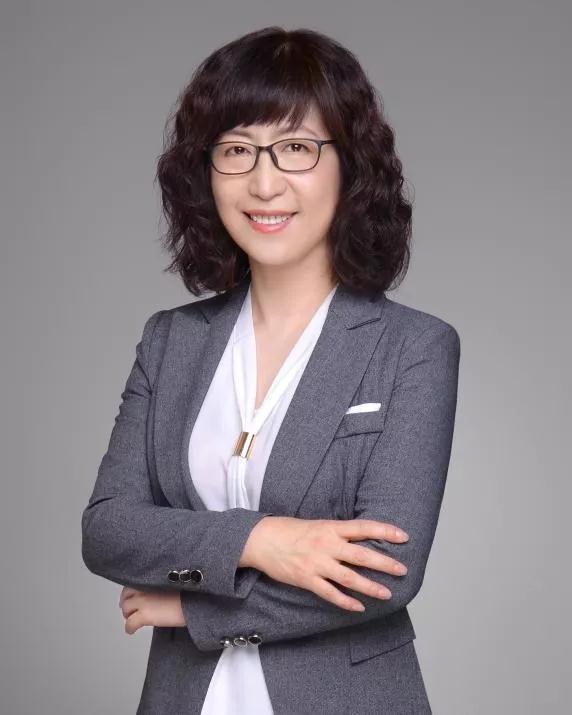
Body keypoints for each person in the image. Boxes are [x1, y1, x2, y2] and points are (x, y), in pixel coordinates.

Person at [81, 26, 461, 715]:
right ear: (206, 172)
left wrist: (194, 610)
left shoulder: (414, 347)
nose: (263, 182)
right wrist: (262, 539)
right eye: (236, 150)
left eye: (295, 148)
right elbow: (109, 529)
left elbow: (384, 575)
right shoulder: (170, 341)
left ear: (350, 166)